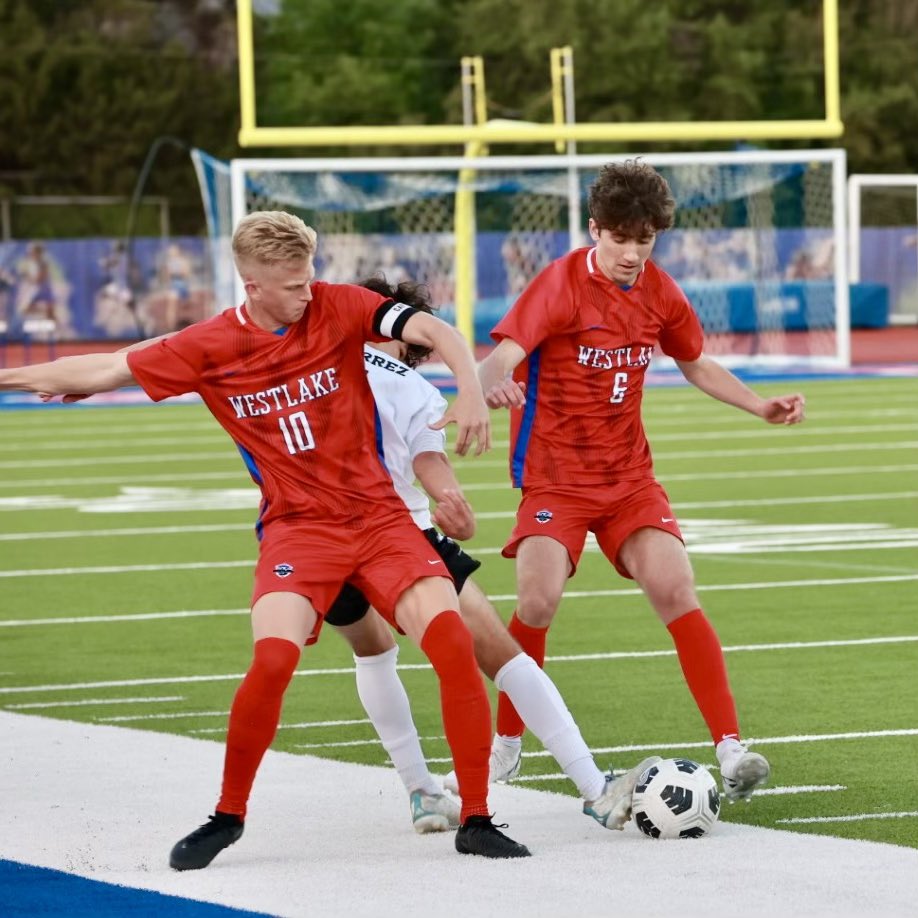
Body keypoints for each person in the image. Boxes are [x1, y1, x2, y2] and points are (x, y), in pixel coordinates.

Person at [0, 210, 531, 867]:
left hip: (379, 518)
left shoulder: (336, 305)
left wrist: (472, 390)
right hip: (298, 529)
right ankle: (228, 816)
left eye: (310, 278)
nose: (309, 292)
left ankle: (476, 818)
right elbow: (107, 367)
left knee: (451, 641)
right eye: (293, 285)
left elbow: (432, 329)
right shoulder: (209, 345)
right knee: (273, 660)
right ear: (252, 286)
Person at [477, 160, 806, 803]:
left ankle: (732, 747)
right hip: (555, 478)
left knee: (674, 584)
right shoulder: (559, 284)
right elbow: (502, 357)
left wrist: (759, 405)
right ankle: (508, 739)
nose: (631, 253)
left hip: (629, 477)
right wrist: (488, 385)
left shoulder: (661, 291)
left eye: (645, 239)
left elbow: (695, 363)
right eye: (620, 238)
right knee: (538, 601)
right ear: (595, 229)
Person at [323, 275, 659, 835]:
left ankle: (422, 792)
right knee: (502, 656)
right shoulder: (411, 387)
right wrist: (455, 506)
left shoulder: (310, 363)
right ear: (404, 338)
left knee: (373, 653)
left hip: (318, 538)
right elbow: (432, 469)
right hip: (395, 536)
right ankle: (595, 787)